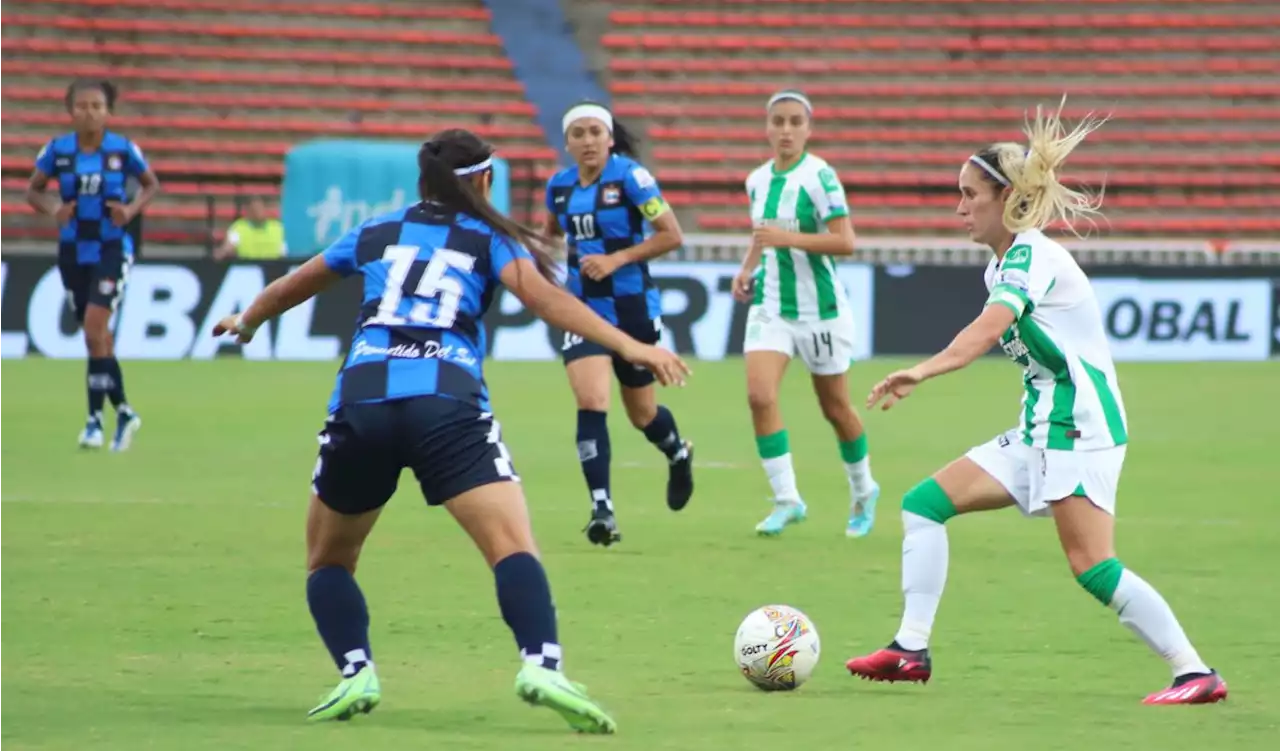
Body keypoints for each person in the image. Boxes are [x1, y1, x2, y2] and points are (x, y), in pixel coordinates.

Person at [213, 128, 691, 732]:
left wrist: (248, 319)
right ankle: (541, 665)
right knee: (512, 548)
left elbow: (299, 281)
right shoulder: (488, 236)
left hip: (362, 400)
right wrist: (631, 345)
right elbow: (544, 299)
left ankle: (355, 669)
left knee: (328, 561)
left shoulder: (379, 230)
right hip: (445, 399)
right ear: (485, 181)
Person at [843, 99, 1228, 706]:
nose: (960, 206)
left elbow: (986, 332)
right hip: (1041, 425)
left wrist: (921, 371)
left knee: (1092, 566)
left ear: (1005, 199)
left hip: (1078, 427)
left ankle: (1194, 671)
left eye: (970, 194)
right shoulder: (1002, 264)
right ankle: (909, 649)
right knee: (923, 505)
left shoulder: (1031, 257)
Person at [543, 101, 694, 547]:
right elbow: (548, 238)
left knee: (642, 414)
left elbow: (672, 234)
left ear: (609, 138)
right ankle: (601, 509)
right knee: (591, 400)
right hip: (582, 310)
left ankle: (678, 453)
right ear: (568, 142)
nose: (588, 140)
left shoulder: (631, 178)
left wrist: (616, 259)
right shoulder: (559, 187)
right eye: (579, 133)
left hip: (632, 309)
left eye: (595, 132)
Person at [730, 90, 878, 538]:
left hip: (821, 311)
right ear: (767, 128)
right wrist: (747, 269)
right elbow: (763, 235)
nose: (786, 130)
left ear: (808, 129)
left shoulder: (820, 177)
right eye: (778, 122)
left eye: (795, 122)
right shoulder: (756, 180)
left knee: (835, 408)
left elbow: (845, 242)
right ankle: (787, 499)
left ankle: (864, 488)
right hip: (772, 304)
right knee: (759, 395)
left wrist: (786, 239)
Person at [26, 78, 160, 451]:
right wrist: (55, 208)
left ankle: (93, 422)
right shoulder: (57, 151)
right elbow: (33, 189)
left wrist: (130, 210)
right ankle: (124, 411)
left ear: (108, 112)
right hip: (73, 250)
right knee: (96, 337)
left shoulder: (122, 150)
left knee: (94, 326)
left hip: (112, 248)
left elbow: (151, 184)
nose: (90, 113)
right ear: (70, 110)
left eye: (97, 106)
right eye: (82, 106)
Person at [213, 195, 287, 261]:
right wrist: (222, 252)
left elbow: (284, 252)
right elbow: (229, 245)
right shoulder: (239, 227)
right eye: (254, 209)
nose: (258, 212)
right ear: (248, 210)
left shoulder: (277, 227)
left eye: (260, 208)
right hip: (248, 269)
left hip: (274, 269)